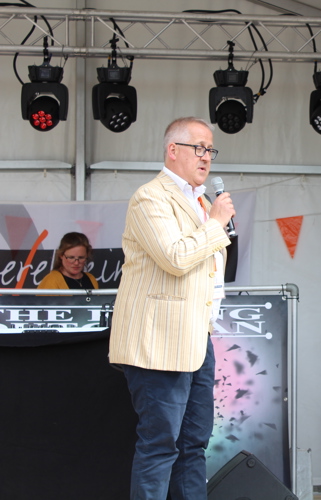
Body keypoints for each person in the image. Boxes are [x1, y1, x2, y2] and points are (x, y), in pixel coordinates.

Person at [109, 117, 235, 500]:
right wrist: (216, 223)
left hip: (198, 338)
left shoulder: (203, 203)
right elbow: (175, 257)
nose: (206, 157)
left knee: (194, 444)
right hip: (159, 342)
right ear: (173, 150)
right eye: (199, 148)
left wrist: (212, 219)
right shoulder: (150, 197)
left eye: (210, 149)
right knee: (160, 443)